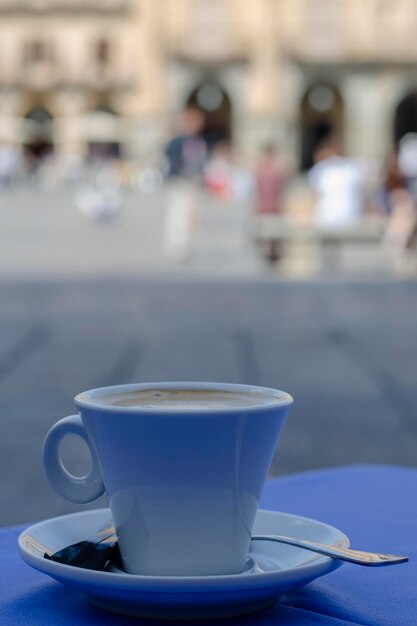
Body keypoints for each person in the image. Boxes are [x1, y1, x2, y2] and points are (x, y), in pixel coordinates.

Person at [163, 108, 207, 262]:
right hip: (179, 181)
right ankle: (176, 246)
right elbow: (168, 155)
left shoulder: (196, 140)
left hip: (192, 182)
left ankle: (186, 245)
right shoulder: (179, 140)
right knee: (178, 214)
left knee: (191, 215)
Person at [308, 138, 364, 228]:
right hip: (349, 219)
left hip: (329, 219)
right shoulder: (352, 168)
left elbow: (314, 196)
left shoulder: (322, 169)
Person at [254, 144, 289, 263]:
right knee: (265, 234)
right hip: (265, 207)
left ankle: (273, 255)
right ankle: (268, 255)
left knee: (275, 234)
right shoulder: (261, 170)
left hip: (275, 206)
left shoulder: (275, 170)